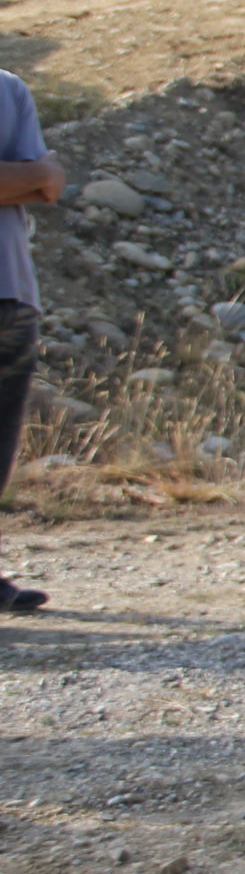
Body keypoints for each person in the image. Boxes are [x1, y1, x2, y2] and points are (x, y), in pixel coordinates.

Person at [0, 71, 63, 614]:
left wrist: (34, 176)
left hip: (10, 292)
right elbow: (33, 176)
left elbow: (50, 182)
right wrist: (20, 177)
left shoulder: (7, 89)